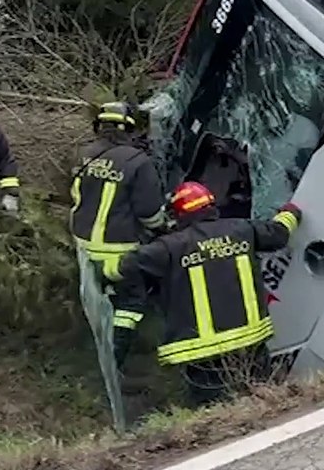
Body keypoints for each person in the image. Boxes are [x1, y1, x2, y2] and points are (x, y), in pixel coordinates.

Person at [101, 181, 301, 407]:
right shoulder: (242, 230)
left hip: (201, 351)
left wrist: (102, 269)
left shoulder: (167, 248)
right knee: (261, 399)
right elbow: (279, 233)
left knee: (214, 409)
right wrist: (290, 213)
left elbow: (125, 268)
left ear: (177, 215)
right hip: (250, 340)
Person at [71, 101, 170, 366]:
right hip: (119, 253)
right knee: (132, 305)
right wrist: (163, 228)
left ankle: (91, 348)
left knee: (100, 298)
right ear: (129, 129)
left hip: (84, 249)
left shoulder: (83, 155)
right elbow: (149, 213)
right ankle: (114, 358)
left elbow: (76, 196)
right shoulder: (138, 162)